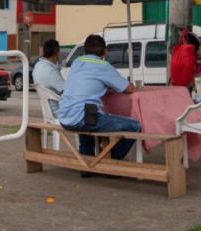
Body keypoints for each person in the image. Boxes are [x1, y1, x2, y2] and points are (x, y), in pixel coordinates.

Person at [58, 34, 141, 177]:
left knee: (87, 112)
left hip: (65, 116)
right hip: (84, 117)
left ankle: (87, 164)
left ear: (85, 50)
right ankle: (108, 160)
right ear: (104, 51)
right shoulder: (103, 66)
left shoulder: (76, 62)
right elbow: (129, 89)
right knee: (134, 126)